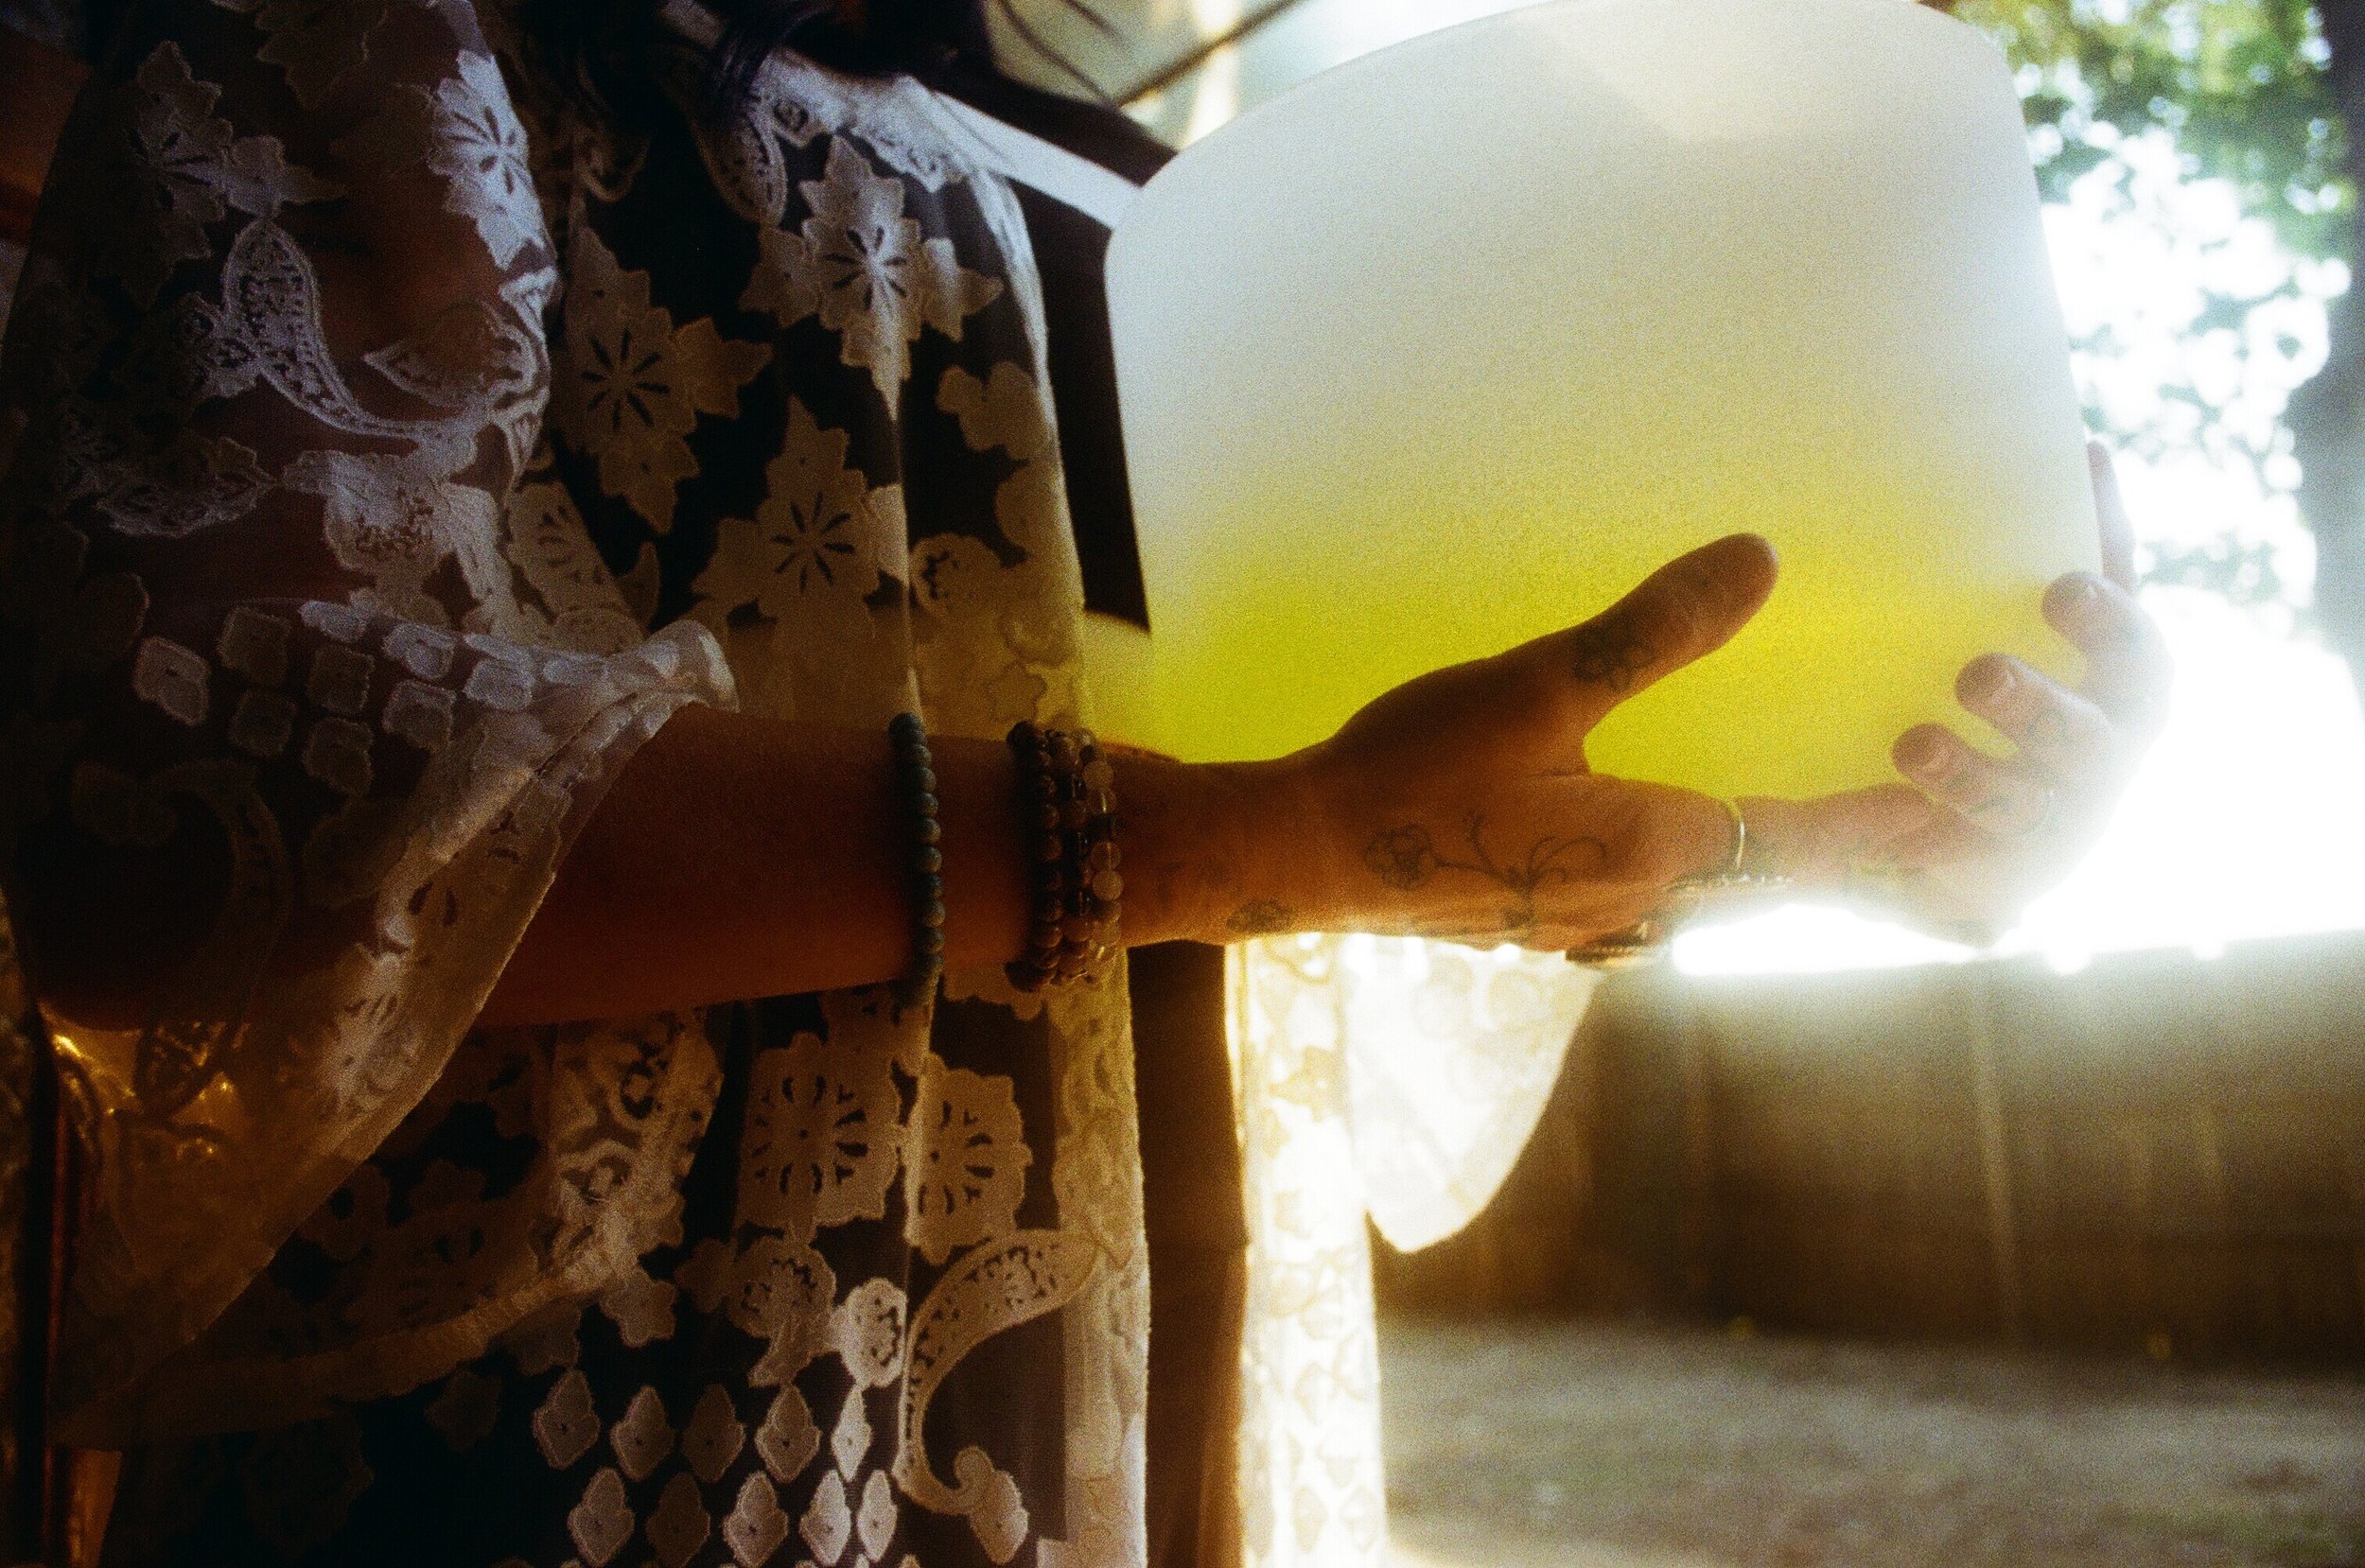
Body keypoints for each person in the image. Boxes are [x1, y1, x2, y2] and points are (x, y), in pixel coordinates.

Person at [0, 0, 2169, 1562]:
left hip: (1175, 1416)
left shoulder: (1174, 199)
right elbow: (189, 803)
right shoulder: (395, 47)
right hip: (600, 1450)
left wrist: (1842, 802)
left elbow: (1353, 866)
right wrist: (1262, 838)